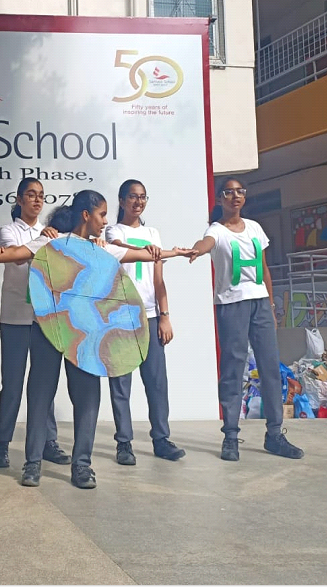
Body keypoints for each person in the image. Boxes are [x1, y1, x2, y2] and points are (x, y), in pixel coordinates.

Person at [0, 190, 195, 489]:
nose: (105, 221)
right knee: (40, 395)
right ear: (86, 215)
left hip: (86, 336)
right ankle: (32, 464)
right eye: (102, 214)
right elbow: (15, 253)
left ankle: (82, 466)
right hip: (48, 331)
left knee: (87, 399)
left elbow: (142, 255)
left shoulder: (102, 249)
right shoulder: (52, 243)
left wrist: (175, 253)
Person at [190, 177, 304, 462]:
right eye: (229, 192)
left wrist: (271, 305)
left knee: (270, 368)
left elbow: (264, 269)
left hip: (260, 303)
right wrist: (196, 250)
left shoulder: (254, 227)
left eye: (240, 191)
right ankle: (230, 435)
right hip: (232, 305)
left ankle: (274, 434)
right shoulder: (216, 230)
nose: (235, 196)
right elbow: (206, 243)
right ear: (220, 199)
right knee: (233, 369)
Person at [0, 177, 69, 470]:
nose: (37, 200)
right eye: (31, 195)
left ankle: (48, 441)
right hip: (15, 317)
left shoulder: (50, 232)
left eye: (41, 196)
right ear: (20, 199)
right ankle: (2, 444)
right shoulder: (9, 230)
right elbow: (18, 258)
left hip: (44, 319)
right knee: (12, 384)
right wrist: (43, 240)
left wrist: (50, 238)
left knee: (44, 385)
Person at [105, 179, 186, 465]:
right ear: (121, 200)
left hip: (150, 316)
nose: (138, 202)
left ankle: (161, 439)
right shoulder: (113, 231)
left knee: (156, 381)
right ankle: (124, 443)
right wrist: (154, 251)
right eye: (132, 197)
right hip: (121, 315)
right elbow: (117, 248)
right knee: (121, 383)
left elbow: (158, 279)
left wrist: (165, 316)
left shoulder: (153, 233)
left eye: (143, 197)